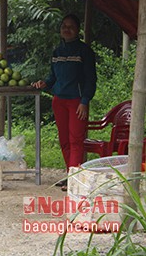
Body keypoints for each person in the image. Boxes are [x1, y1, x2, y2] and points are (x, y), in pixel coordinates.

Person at [32, 14, 97, 191]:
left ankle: (74, 178)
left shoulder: (85, 51)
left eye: (71, 26)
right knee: (64, 141)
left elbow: (91, 79)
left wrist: (85, 101)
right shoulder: (57, 52)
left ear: (78, 30)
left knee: (76, 140)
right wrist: (44, 83)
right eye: (63, 26)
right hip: (59, 100)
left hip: (77, 102)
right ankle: (71, 174)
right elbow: (53, 77)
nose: (66, 29)